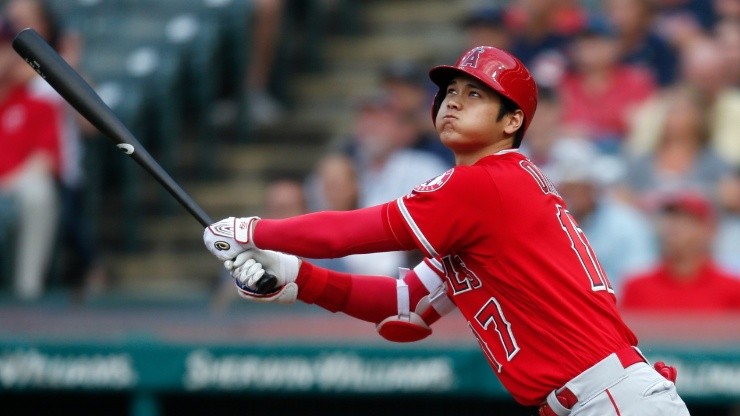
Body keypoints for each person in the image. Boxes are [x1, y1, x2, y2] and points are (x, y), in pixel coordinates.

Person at [203, 46, 689, 415]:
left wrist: (252, 229)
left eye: (475, 94)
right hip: (600, 398)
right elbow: (405, 309)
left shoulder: (486, 184)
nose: (453, 103)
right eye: (450, 92)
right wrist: (296, 278)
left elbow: (349, 233)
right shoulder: (481, 206)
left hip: (612, 399)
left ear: (513, 119)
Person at [0, 15, 61, 300]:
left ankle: (28, 291)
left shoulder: (37, 102)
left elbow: (45, 162)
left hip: (14, 186)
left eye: (2, 47)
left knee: (39, 192)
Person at [547, 138, 657, 292]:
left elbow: (639, 278)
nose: (572, 195)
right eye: (567, 188)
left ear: (593, 187)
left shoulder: (627, 223)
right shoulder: (551, 223)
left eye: (579, 187)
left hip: (617, 307)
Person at [621, 191, 740, 311]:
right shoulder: (637, 287)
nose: (672, 228)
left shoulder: (733, 288)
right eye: (669, 220)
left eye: (685, 221)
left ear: (709, 230)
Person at [558, 18, 656, 153]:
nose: (589, 47)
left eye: (597, 41)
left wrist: (594, 135)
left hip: (623, 157)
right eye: (583, 42)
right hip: (575, 159)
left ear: (616, 46)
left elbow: (644, 129)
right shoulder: (563, 84)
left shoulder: (636, 82)